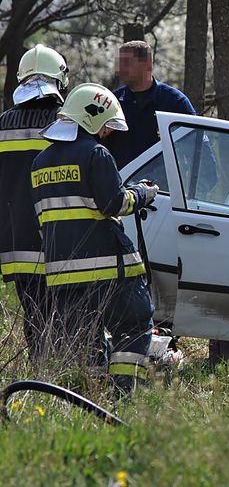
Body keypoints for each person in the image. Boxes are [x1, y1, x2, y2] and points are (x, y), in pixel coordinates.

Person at [32, 83, 158, 393]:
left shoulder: (39, 164)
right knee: (135, 327)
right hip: (109, 273)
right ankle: (121, 394)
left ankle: (90, 399)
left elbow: (43, 221)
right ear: (90, 118)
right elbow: (115, 204)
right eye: (104, 125)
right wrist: (142, 194)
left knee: (85, 343)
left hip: (63, 277)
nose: (107, 132)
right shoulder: (95, 154)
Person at [0, 44, 69, 359]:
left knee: (35, 314)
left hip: (17, 242)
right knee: (68, 316)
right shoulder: (65, 122)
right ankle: (64, 377)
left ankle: (42, 372)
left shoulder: (2, 124)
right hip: (61, 239)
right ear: (59, 80)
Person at [105, 40, 197, 169]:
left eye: (127, 63)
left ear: (147, 64)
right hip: (121, 186)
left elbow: (199, 152)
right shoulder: (110, 102)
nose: (121, 69)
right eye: (119, 63)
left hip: (161, 188)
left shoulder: (174, 102)